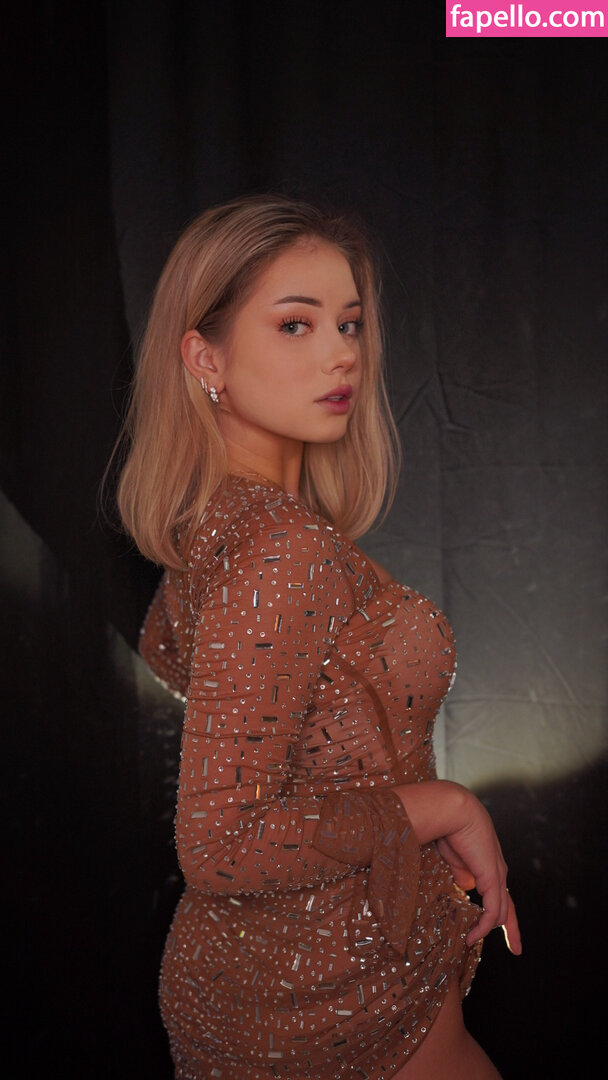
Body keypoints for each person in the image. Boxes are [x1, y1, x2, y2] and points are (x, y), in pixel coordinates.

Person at [115, 194, 521, 1080]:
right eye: (296, 324)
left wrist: (339, 754)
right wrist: (446, 806)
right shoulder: (280, 546)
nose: (342, 353)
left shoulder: (224, 524)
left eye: (350, 323)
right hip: (319, 999)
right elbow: (219, 846)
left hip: (331, 969)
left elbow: (166, 648)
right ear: (205, 357)